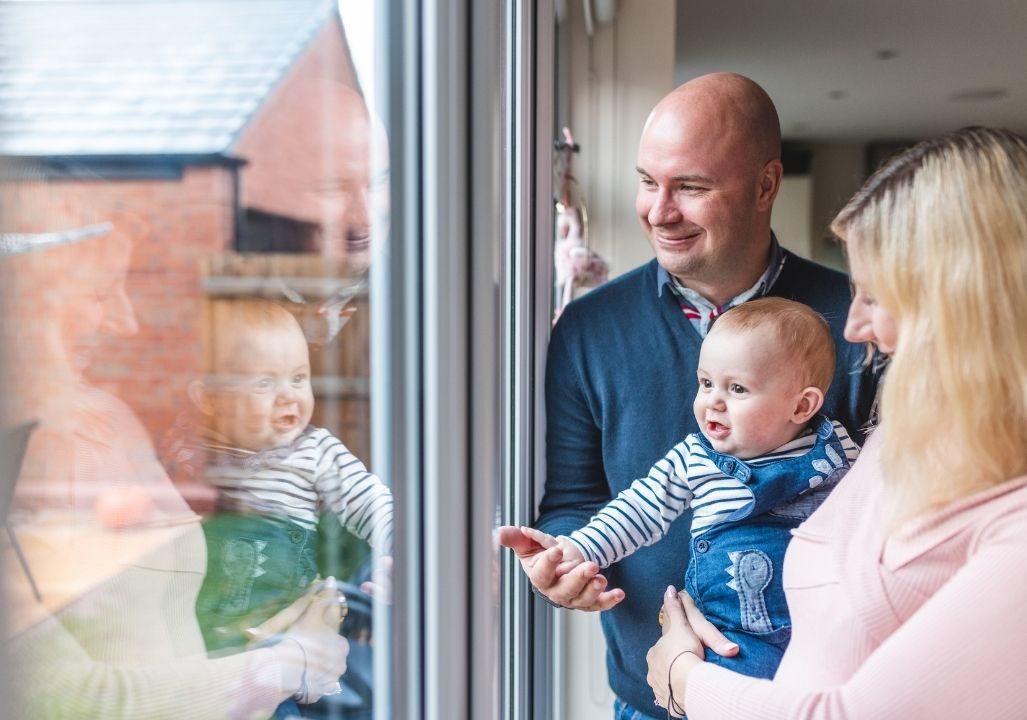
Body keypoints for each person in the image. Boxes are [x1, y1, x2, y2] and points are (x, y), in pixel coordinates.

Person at [499, 72, 878, 719]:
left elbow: (893, 512)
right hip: (650, 700)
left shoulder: (859, 318)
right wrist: (568, 562)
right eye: (648, 181)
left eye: (690, 188)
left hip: (817, 695)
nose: (658, 210)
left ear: (764, 186)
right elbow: (573, 499)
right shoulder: (587, 330)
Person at [646, 125, 1027, 719]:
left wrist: (682, 676)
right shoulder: (906, 432)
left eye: (875, 296)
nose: (852, 328)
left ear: (960, 303)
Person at [0, 201, 349, 719]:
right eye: (100, 293)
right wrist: (292, 663)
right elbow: (70, 701)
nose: (128, 322)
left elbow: (172, 622)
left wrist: (280, 621)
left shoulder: (107, 421)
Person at [513, 298, 859, 679]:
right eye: (706, 383)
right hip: (731, 639)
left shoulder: (838, 452)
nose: (713, 401)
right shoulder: (695, 458)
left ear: (802, 406)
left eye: (737, 389)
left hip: (824, 633)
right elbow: (639, 510)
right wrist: (578, 549)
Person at [186, 297, 393, 654]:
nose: (288, 397)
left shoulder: (314, 451)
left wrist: (410, 551)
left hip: (288, 634)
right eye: (265, 383)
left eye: (299, 378)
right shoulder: (189, 455)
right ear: (210, 400)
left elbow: (372, 504)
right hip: (200, 638)